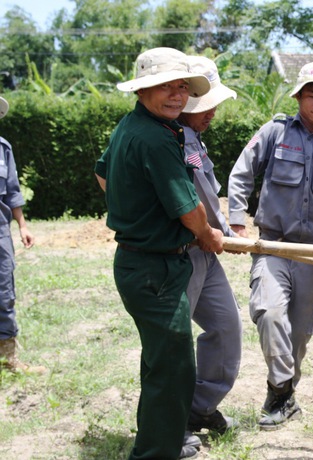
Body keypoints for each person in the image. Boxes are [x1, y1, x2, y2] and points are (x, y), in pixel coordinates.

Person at [94, 47, 224, 460]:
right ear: (143, 89)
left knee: (161, 363)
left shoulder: (131, 127)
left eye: (181, 86)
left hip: (144, 263)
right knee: (173, 369)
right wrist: (207, 234)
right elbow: (189, 209)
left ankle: (156, 440)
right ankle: (154, 453)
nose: (175, 95)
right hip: (154, 267)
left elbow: (102, 173)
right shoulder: (155, 138)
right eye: (163, 86)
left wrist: (137, 205)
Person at [228, 62, 313, 430]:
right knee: (270, 314)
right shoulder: (274, 132)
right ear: (299, 96)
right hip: (273, 245)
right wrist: (237, 220)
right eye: (312, 94)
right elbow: (242, 172)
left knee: (300, 332)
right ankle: (280, 391)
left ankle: (284, 393)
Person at [178, 56, 241, 437]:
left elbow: (208, 198)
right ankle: (172, 419)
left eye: (212, 104)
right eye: (204, 106)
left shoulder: (194, 139)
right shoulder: (171, 139)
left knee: (225, 327)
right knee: (174, 342)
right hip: (180, 254)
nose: (211, 113)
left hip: (205, 251)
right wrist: (218, 233)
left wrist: (225, 233)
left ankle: (199, 408)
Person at [0, 95, 45, 375]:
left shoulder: (3, 148)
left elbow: (13, 190)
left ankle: (8, 358)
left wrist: (23, 226)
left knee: (4, 290)